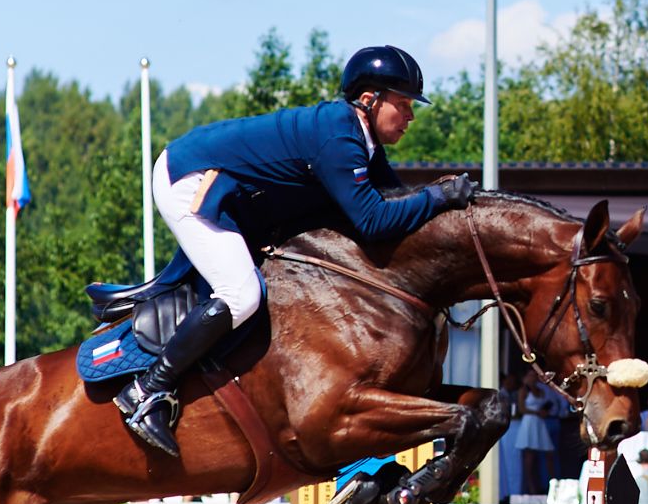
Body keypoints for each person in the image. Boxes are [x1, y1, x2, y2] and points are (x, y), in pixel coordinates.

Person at [117, 45, 473, 455]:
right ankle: (147, 391)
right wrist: (439, 197)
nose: (410, 115)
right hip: (188, 177)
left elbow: (392, 199)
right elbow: (374, 221)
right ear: (369, 100)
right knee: (241, 295)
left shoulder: (361, 141)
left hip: (225, 184)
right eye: (403, 103)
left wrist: (438, 202)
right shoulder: (340, 138)